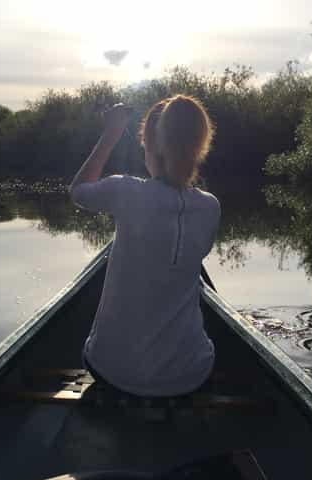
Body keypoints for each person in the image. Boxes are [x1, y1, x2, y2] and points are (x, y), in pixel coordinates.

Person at [69, 95, 221, 397]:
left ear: (151, 147)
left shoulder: (125, 190)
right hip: (190, 375)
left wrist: (110, 134)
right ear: (199, 147)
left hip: (112, 371)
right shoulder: (211, 207)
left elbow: (78, 191)